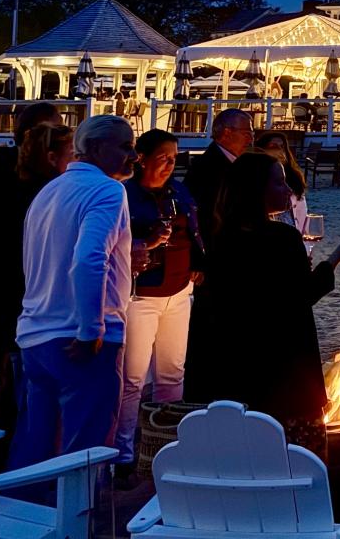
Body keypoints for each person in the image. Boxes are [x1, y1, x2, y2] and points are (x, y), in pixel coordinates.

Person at [185, 152, 340, 457]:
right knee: (296, 457)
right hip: (285, 369)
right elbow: (303, 294)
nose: (288, 190)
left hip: (235, 367)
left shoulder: (221, 237)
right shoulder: (282, 238)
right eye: (280, 183)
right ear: (257, 190)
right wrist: (337, 256)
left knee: (246, 457)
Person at [11, 115, 137, 471]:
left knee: (37, 447)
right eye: (126, 146)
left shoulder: (49, 191)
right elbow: (88, 258)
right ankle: (76, 525)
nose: (134, 155)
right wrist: (91, 330)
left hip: (36, 334)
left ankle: (30, 518)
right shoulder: (108, 190)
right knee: (84, 453)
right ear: (97, 148)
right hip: (80, 338)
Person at [0, 105, 69, 470]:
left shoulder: (49, 182)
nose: (55, 140)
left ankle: (25, 453)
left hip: (28, 292)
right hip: (3, 290)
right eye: (50, 132)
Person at [115, 129, 205, 479]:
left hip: (179, 290)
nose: (170, 164)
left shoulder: (178, 192)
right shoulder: (125, 195)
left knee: (172, 373)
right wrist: (146, 241)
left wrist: (200, 263)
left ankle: (167, 443)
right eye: (164, 157)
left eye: (174, 157)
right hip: (142, 295)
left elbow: (194, 232)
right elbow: (116, 240)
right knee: (133, 378)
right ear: (143, 159)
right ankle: (124, 452)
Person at [183, 107, 253, 248]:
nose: (251, 139)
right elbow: (206, 218)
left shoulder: (227, 162)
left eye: (252, 134)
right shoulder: (209, 167)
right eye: (246, 134)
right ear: (227, 133)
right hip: (218, 253)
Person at [259, 130, 310, 231]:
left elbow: (301, 214)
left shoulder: (294, 178)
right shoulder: (257, 177)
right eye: (273, 146)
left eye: (282, 146)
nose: (279, 150)